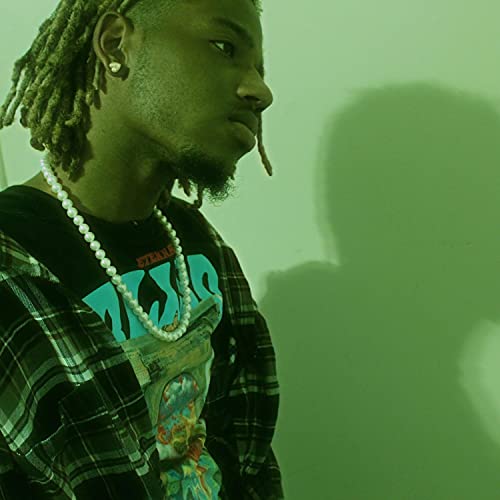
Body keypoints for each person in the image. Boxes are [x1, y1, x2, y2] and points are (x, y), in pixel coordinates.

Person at [0, 0, 283, 498]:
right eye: (224, 47)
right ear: (116, 45)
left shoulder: (196, 241)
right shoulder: (14, 259)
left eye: (260, 69)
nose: (260, 91)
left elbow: (249, 455)